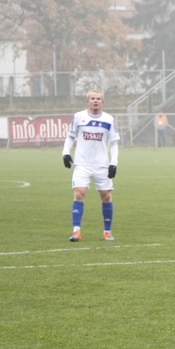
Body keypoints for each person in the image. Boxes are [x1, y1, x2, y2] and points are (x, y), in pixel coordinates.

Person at [62, 89, 120, 242]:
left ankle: (107, 232)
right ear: (87, 101)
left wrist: (113, 163)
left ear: (103, 101)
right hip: (82, 164)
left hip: (102, 165)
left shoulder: (109, 120)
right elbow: (70, 136)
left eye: (98, 98)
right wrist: (66, 153)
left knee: (106, 196)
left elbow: (113, 143)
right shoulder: (78, 117)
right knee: (79, 193)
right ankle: (76, 232)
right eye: (92, 98)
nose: (95, 101)